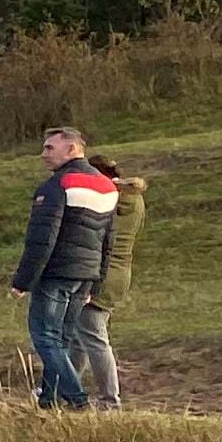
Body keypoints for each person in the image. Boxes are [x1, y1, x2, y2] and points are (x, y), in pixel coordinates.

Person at [10, 123, 118, 412]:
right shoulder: (107, 187)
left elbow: (42, 238)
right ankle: (48, 402)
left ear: (72, 148)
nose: (43, 154)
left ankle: (77, 400)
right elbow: (109, 241)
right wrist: (97, 282)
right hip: (86, 276)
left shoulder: (57, 185)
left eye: (49, 148)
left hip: (56, 274)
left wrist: (23, 281)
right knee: (63, 339)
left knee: (46, 338)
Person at [77, 151, 139, 410]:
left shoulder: (105, 201)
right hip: (119, 273)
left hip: (99, 273)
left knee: (93, 337)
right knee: (78, 336)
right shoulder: (132, 200)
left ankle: (109, 401)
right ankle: (60, 387)